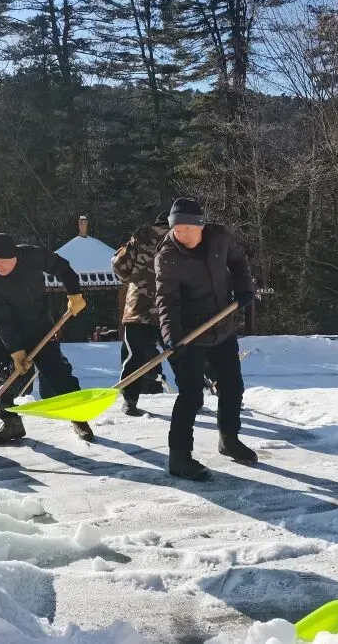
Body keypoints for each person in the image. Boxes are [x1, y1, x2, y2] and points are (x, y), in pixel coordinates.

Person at [154, 197, 256, 481]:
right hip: (189, 334)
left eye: (188, 228)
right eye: (177, 228)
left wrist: (244, 288)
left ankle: (229, 439)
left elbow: (238, 261)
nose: (181, 234)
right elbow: (167, 300)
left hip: (222, 326)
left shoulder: (219, 237)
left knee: (233, 385)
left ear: (201, 225)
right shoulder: (167, 256)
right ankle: (179, 458)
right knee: (190, 396)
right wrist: (172, 338)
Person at [0, 233, 92, 444]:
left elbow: (63, 268)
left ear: (14, 255)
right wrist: (16, 350)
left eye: (2, 261)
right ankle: (10, 422)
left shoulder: (33, 256)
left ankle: (79, 417)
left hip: (39, 325)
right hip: (6, 329)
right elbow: (1, 319)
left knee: (57, 372)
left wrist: (74, 294)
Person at [112, 210, 171, 415]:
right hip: (171, 307)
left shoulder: (141, 236)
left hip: (139, 306)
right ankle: (194, 395)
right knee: (181, 352)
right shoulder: (182, 235)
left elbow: (119, 265)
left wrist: (134, 279)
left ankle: (129, 400)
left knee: (134, 356)